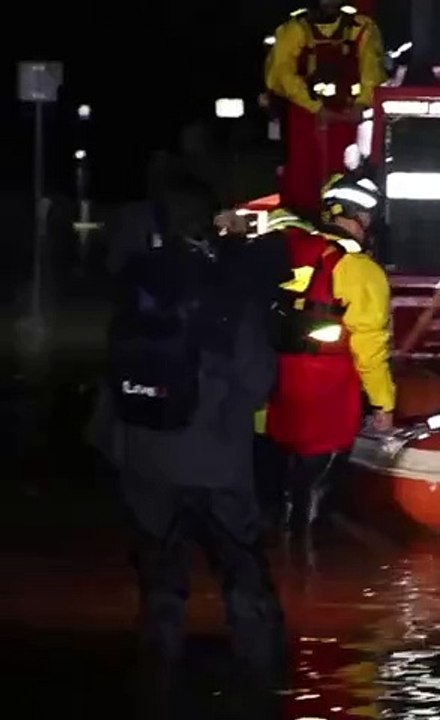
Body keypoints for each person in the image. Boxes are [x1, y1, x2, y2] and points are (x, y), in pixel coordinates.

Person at [88, 177, 286, 718]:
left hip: (141, 458)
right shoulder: (227, 289)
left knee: (159, 587)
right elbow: (256, 380)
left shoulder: (135, 282)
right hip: (216, 460)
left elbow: (113, 367)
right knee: (245, 584)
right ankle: (262, 691)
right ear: (211, 225)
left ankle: (155, 687)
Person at [265, 172, 395, 537]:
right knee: (317, 490)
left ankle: (286, 554)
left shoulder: (291, 249)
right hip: (327, 391)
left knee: (287, 483)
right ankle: (309, 569)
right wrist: (383, 405)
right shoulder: (360, 270)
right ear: (364, 217)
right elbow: (369, 346)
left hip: (279, 383)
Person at [266, 0, 386, 215]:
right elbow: (281, 75)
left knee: (351, 167)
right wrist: (315, 107)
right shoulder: (294, 29)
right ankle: (303, 215)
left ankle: (349, 215)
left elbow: (372, 70)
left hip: (350, 117)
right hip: (306, 117)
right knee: (303, 174)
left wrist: (361, 104)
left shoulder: (362, 27)